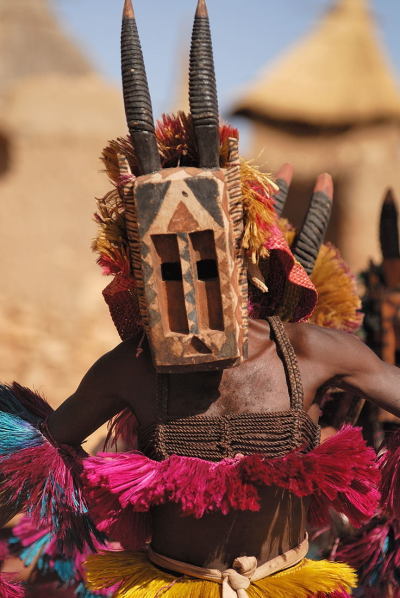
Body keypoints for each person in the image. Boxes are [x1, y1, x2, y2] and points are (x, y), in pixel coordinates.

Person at [1, 1, 399, 597]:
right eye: (165, 265)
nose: (188, 287)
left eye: (207, 263)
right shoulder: (130, 370)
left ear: (244, 261)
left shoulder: (312, 353)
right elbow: (41, 450)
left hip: (289, 582)